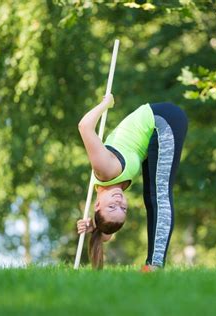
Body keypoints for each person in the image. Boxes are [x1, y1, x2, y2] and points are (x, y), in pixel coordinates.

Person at [76, 94, 188, 270]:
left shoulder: (103, 170)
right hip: (157, 129)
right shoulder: (111, 186)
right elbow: (107, 232)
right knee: (151, 197)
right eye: (123, 208)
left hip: (162, 120)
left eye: (112, 207)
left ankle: (154, 266)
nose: (119, 202)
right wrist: (96, 228)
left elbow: (84, 127)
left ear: (97, 205)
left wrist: (105, 104)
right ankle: (152, 265)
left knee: (158, 195)